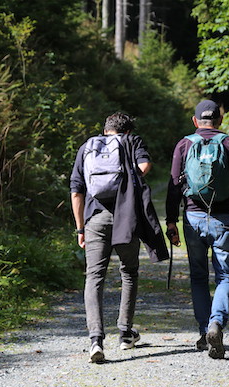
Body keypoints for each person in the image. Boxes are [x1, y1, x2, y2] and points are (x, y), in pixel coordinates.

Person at [70, 112, 168, 363]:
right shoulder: (132, 142)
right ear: (126, 131)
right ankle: (125, 333)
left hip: (95, 219)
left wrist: (80, 228)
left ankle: (95, 340)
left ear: (105, 131)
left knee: (94, 276)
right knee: (128, 271)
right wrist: (127, 178)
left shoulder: (87, 147)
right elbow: (145, 166)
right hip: (126, 218)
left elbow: (76, 191)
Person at [165, 100, 229, 359]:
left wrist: (171, 221)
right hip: (225, 219)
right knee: (225, 277)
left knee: (198, 277)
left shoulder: (184, 144)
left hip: (193, 219)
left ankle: (205, 331)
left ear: (195, 121)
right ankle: (217, 323)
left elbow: (173, 186)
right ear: (220, 121)